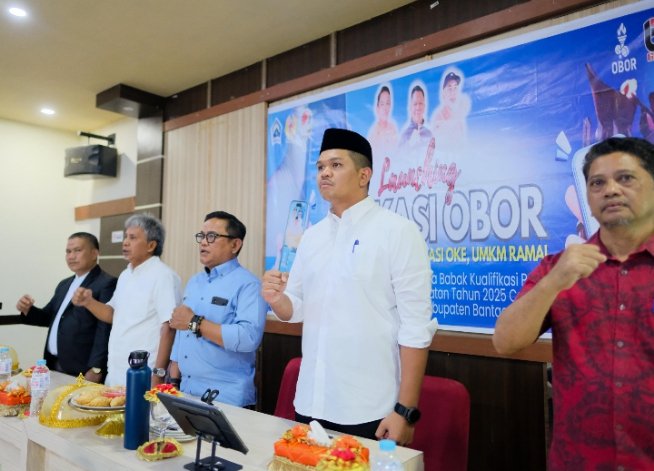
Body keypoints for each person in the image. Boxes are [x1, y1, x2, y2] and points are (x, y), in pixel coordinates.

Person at [262, 128, 437, 445]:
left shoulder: (397, 232)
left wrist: (405, 410)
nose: (325, 173)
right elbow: (295, 308)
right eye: (320, 167)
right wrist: (276, 299)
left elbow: (416, 327)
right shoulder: (311, 237)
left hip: (370, 409)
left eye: (336, 165)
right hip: (311, 403)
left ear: (364, 175)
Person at [493, 137, 654, 469]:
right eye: (597, 183)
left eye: (625, 178)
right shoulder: (559, 268)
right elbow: (506, 342)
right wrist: (554, 282)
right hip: (579, 460)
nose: (610, 190)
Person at [167, 211, 267, 407]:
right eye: (202, 236)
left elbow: (248, 338)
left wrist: (195, 322)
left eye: (212, 236)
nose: (204, 242)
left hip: (225, 397)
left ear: (235, 245)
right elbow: (182, 333)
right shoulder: (195, 281)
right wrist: (173, 380)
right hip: (185, 389)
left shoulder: (249, 285)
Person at [72, 214, 181, 387]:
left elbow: (169, 327)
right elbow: (112, 314)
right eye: (125, 237)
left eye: (133, 238)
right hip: (117, 369)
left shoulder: (163, 275)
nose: (125, 242)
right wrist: (89, 302)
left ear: (151, 245)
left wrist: (158, 374)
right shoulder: (126, 274)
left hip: (145, 372)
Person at [16, 232, 116, 383]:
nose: (71, 256)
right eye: (68, 251)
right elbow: (48, 317)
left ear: (94, 253)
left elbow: (105, 329)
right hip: (53, 363)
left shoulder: (106, 283)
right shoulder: (64, 284)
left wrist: (96, 368)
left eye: (77, 250)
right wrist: (27, 309)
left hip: (82, 369)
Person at [431, 70, 471, 151]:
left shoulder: (458, 116)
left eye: (455, 87)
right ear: (443, 92)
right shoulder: (438, 117)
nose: (453, 92)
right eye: (449, 88)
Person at [398, 83, 433, 151]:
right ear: (410, 107)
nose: (418, 107)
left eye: (420, 103)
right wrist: (409, 145)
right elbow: (399, 155)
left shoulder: (429, 134)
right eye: (415, 104)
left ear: (424, 106)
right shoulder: (404, 136)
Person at [367, 84, 399, 157]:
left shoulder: (393, 128)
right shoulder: (373, 133)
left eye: (388, 103)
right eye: (382, 104)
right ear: (377, 107)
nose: (385, 108)